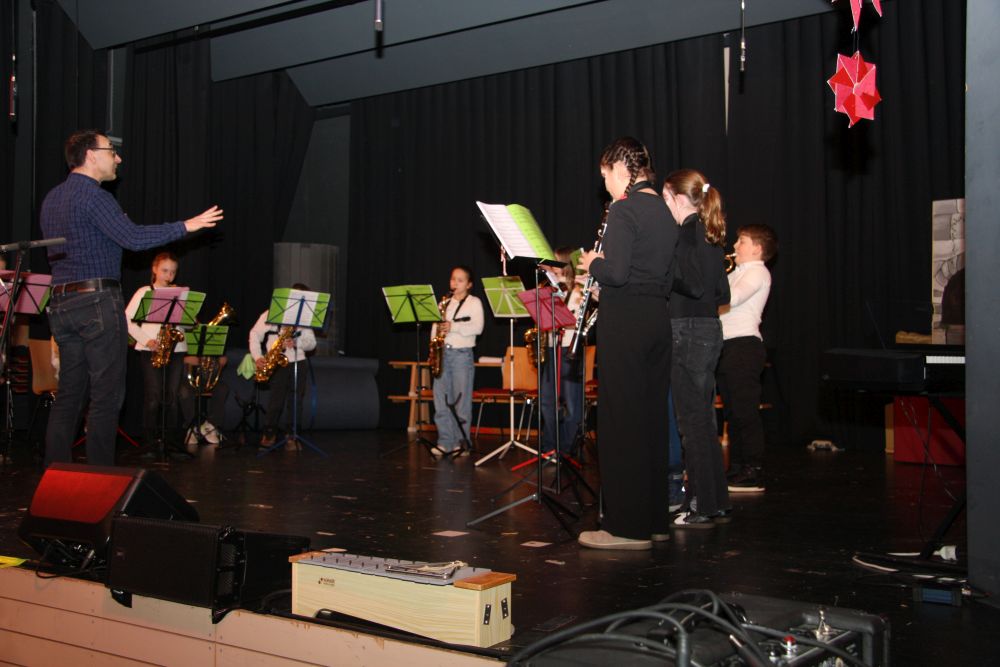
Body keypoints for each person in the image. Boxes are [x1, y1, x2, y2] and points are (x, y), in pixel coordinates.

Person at [40, 129, 222, 466]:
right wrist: (186, 226)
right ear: (91, 155)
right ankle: (98, 481)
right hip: (96, 301)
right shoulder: (95, 197)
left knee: (69, 395)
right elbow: (134, 238)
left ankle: (56, 478)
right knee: (106, 396)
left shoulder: (52, 198)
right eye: (112, 151)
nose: (118, 158)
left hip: (62, 304)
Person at [577, 137, 676, 550]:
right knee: (651, 422)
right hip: (657, 319)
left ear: (620, 169)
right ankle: (654, 521)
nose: (606, 186)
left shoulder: (624, 208)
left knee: (620, 424)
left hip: (626, 324)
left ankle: (625, 529)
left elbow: (615, 273)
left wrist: (592, 264)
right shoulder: (665, 211)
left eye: (606, 177)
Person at [662, 170, 731, 527]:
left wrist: (662, 275)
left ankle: (700, 504)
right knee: (703, 421)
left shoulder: (685, 234)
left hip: (687, 331)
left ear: (676, 198)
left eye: (665, 199)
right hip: (708, 328)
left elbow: (694, 285)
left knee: (691, 424)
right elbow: (721, 293)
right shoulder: (710, 234)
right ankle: (715, 500)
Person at [716, 223, 777, 493]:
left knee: (745, 411)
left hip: (743, 346)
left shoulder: (758, 272)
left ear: (757, 248)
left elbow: (732, 298)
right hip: (728, 346)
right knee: (733, 412)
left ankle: (753, 470)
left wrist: (709, 274)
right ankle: (738, 468)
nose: (735, 246)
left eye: (741, 241)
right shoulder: (738, 272)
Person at [123, 252, 188, 453]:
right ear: (154, 269)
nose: (169, 276)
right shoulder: (145, 292)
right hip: (150, 349)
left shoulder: (179, 293)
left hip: (176, 350)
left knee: (173, 397)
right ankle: (149, 442)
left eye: (173, 272)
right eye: (165, 271)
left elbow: (186, 325)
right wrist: (147, 340)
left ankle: (171, 441)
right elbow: (127, 320)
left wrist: (189, 318)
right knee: (153, 396)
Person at [249, 284, 317, 447]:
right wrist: (257, 357)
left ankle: (292, 435)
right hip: (277, 363)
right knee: (276, 400)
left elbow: (312, 343)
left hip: (298, 362)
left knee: (296, 401)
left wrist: (297, 342)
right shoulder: (273, 312)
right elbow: (254, 334)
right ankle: (269, 433)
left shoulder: (305, 319)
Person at [430, 266, 484, 455]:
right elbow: (435, 327)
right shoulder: (444, 303)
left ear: (469, 284)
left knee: (461, 402)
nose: (455, 283)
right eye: (453, 279)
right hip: (442, 354)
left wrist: (453, 327)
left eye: (460, 280)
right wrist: (433, 350)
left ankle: (461, 443)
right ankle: (445, 442)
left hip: (462, 355)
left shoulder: (474, 302)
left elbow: (478, 327)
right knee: (441, 401)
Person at [538, 247, 586, 458]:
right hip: (552, 347)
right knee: (547, 400)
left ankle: (568, 449)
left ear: (566, 264)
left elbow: (580, 322)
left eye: (555, 262)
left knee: (571, 403)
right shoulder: (551, 288)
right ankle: (550, 445)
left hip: (569, 349)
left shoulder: (578, 290)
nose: (552, 266)